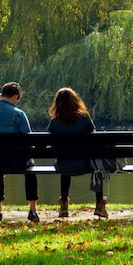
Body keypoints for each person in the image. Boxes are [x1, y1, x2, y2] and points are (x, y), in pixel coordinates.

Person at [0, 82, 40, 223]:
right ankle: (32, 210)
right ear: (16, 98)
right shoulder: (19, 114)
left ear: (0, 96)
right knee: (31, 168)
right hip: (18, 162)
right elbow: (28, 139)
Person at [46, 87, 108, 218]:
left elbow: (48, 142)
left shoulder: (54, 122)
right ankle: (99, 204)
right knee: (98, 168)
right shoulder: (84, 118)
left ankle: (63, 205)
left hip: (63, 165)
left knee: (64, 165)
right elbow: (94, 138)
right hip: (85, 165)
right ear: (76, 101)